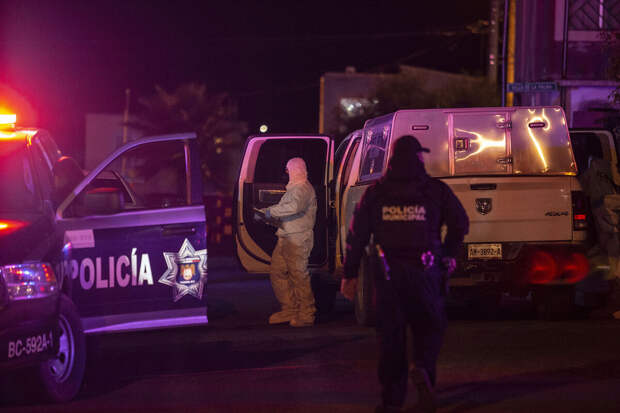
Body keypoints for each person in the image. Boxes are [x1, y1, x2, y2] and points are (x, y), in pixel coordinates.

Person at [341, 135, 469, 412]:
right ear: (418, 158)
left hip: (388, 274)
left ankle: (392, 401)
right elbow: (460, 222)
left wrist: (349, 274)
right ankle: (422, 368)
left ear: (392, 159)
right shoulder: (435, 190)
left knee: (391, 337)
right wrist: (447, 253)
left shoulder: (376, 193)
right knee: (429, 327)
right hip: (426, 271)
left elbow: (357, 235)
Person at [261, 157, 317, 327]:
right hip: (286, 237)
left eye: (288, 169)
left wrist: (269, 212)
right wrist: (267, 217)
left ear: (294, 169)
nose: (286, 172)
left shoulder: (303, 188)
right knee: (277, 272)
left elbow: (294, 208)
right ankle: (290, 309)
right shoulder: (293, 189)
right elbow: (287, 212)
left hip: (297, 238)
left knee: (298, 275)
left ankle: (306, 314)